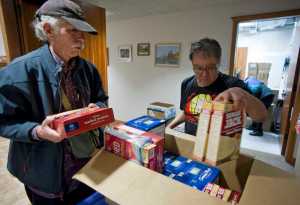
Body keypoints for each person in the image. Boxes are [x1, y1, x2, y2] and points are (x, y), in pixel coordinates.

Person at [0, 0, 108, 204]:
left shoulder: (88, 69)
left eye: (82, 31)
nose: (81, 38)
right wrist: (36, 131)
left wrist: (98, 109)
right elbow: (3, 121)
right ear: (49, 30)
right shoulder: (17, 71)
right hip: (44, 175)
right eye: (73, 30)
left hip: (87, 166)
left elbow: (101, 99)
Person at [168, 38, 267, 136]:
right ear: (192, 64)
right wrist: (169, 128)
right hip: (190, 144)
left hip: (222, 148)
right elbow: (186, 113)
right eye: (198, 68)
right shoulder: (187, 83)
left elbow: (262, 116)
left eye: (211, 67)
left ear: (218, 62)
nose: (204, 74)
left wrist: (244, 95)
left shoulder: (233, 85)